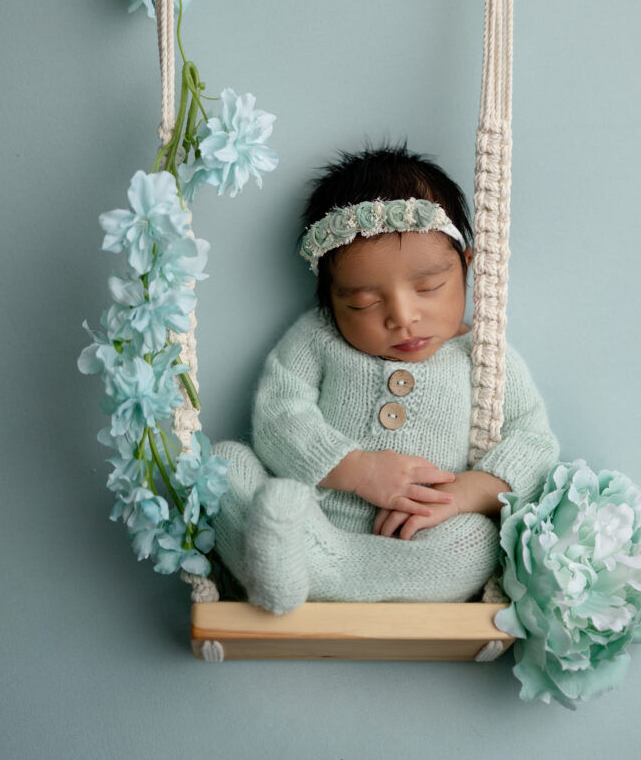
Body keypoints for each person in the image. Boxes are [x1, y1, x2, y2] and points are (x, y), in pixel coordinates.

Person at [213, 144, 559, 613]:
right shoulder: (318, 338)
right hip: (308, 520)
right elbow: (279, 415)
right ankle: (288, 559)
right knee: (225, 465)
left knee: (475, 539)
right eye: (364, 302)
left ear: (467, 266)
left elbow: (533, 444)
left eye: (428, 287)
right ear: (329, 299)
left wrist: (465, 494)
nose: (402, 317)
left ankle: (319, 574)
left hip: (421, 540)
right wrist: (356, 469)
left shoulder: (485, 357)